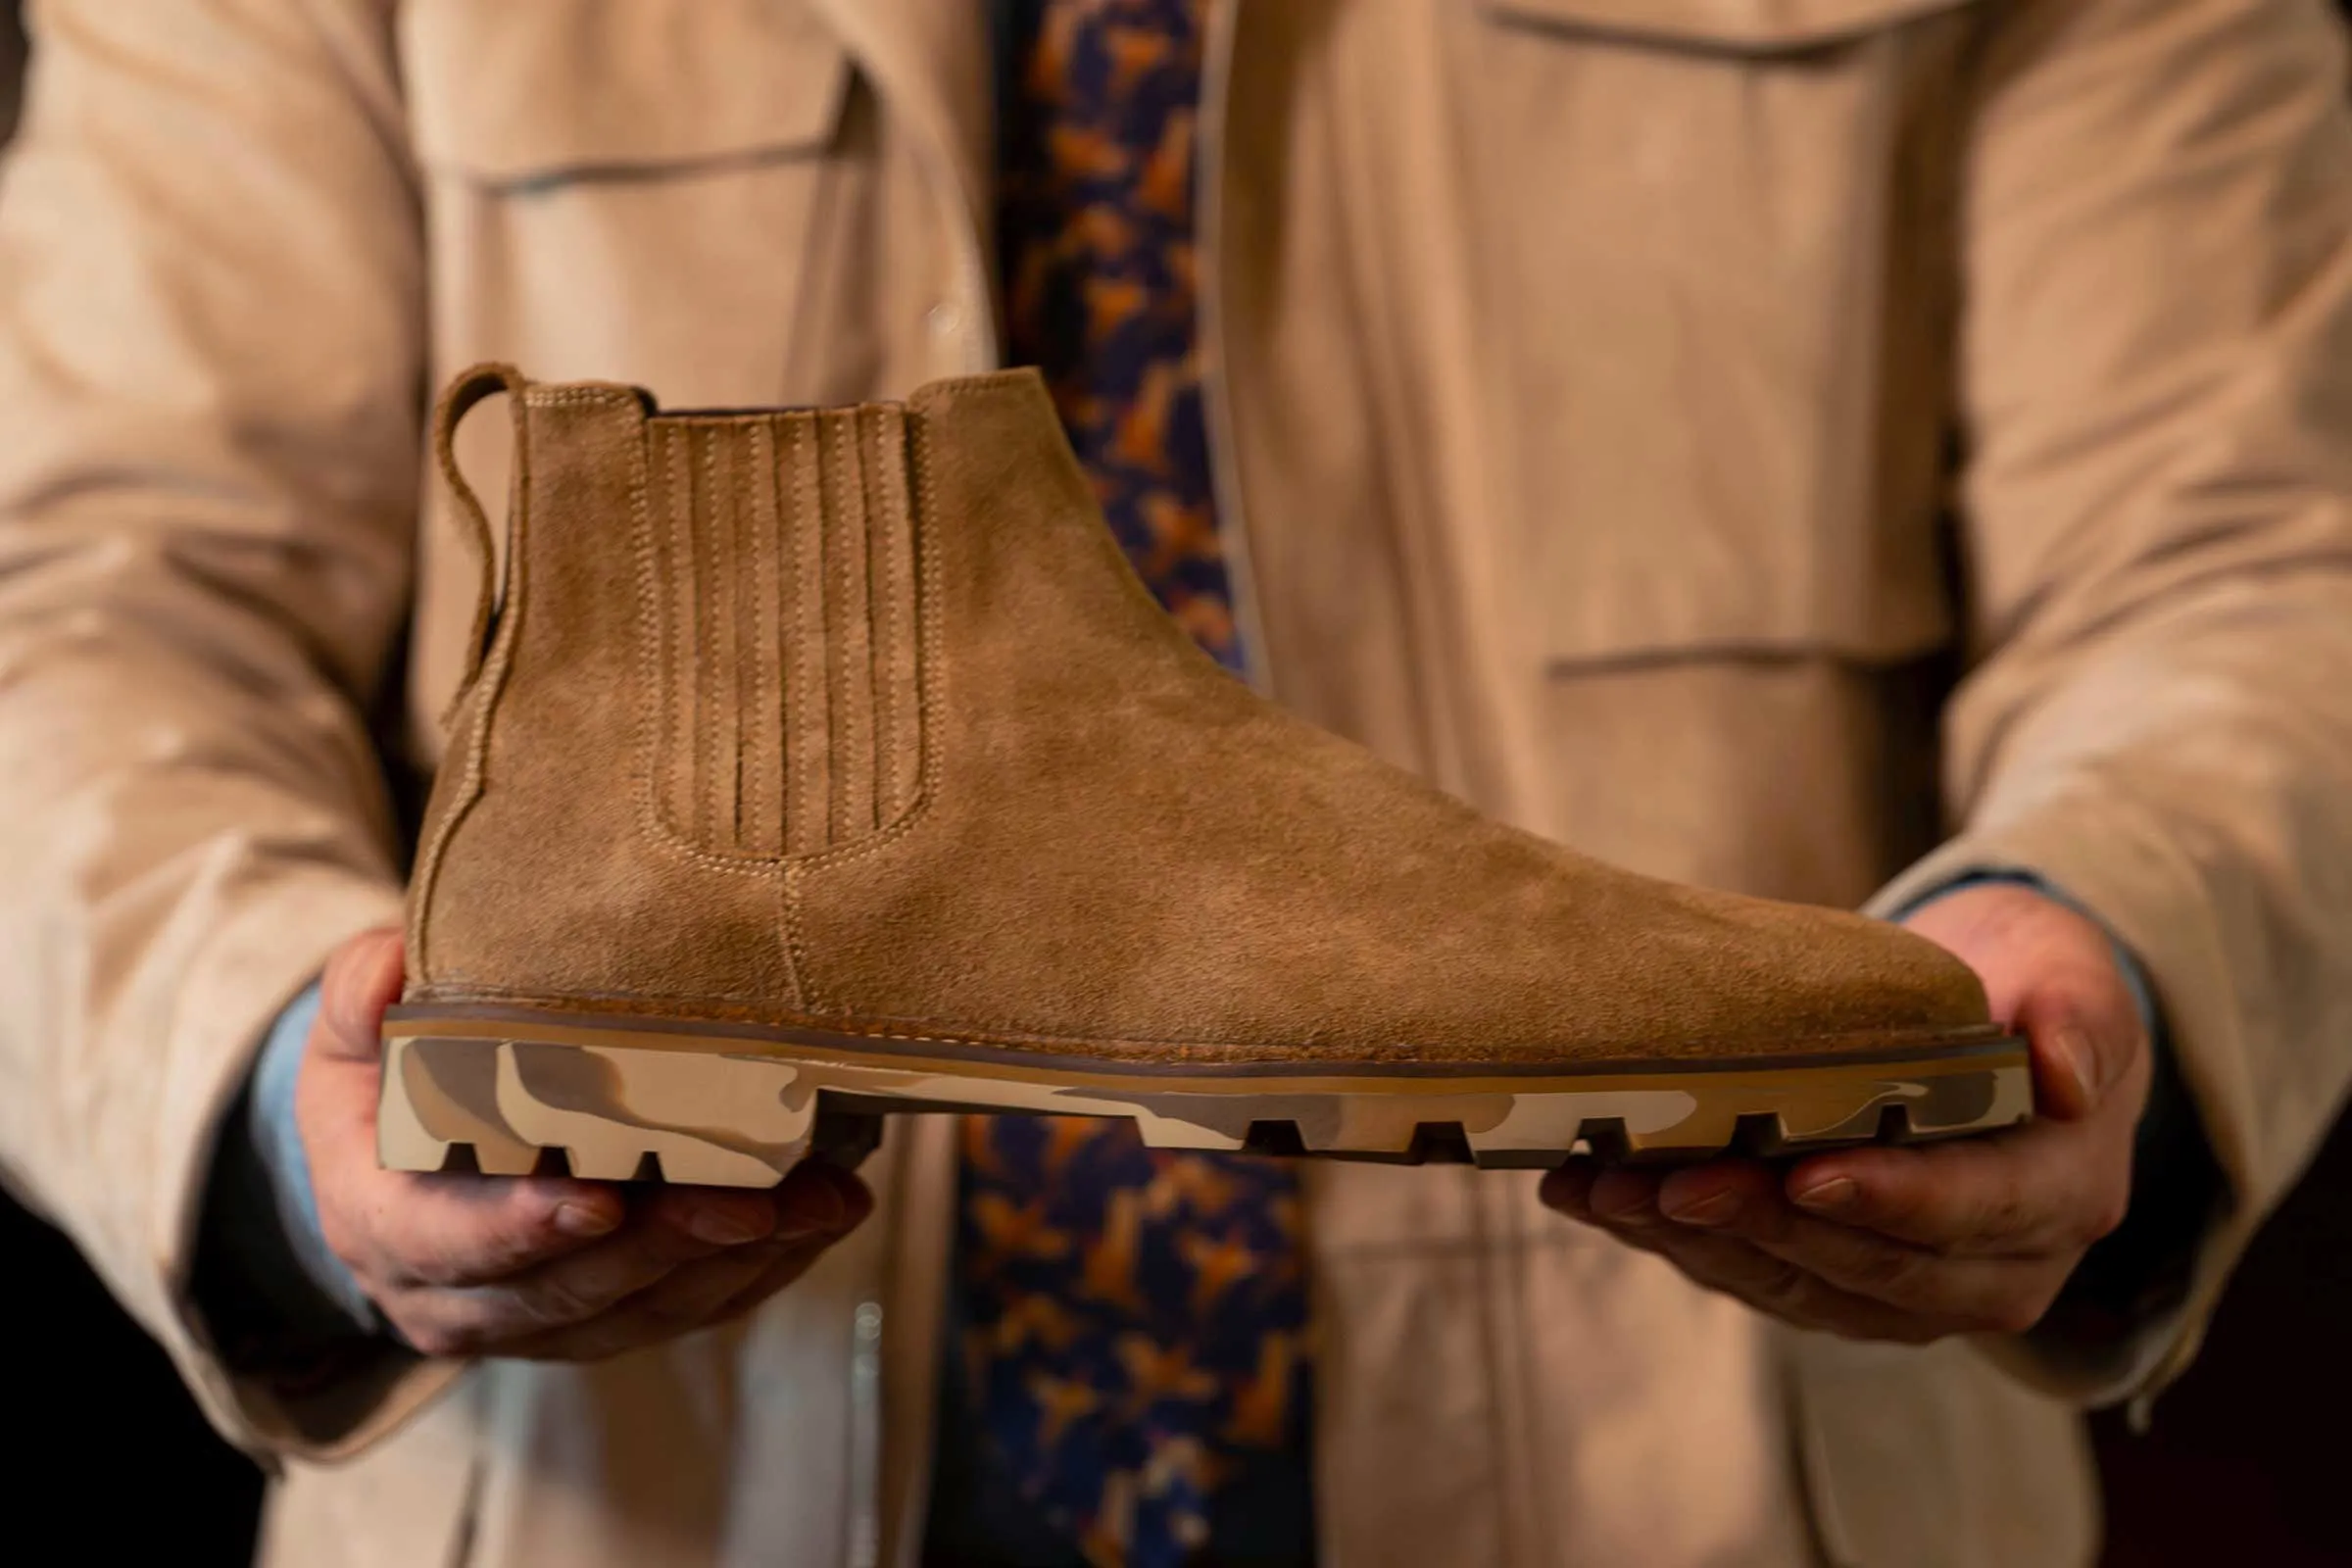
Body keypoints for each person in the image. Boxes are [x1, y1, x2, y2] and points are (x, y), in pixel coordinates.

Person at [1, 0, 2347, 1563]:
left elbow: (2254, 544)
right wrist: (270, 1093)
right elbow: (90, 587)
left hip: (1722, 1474)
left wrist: (2105, 921)